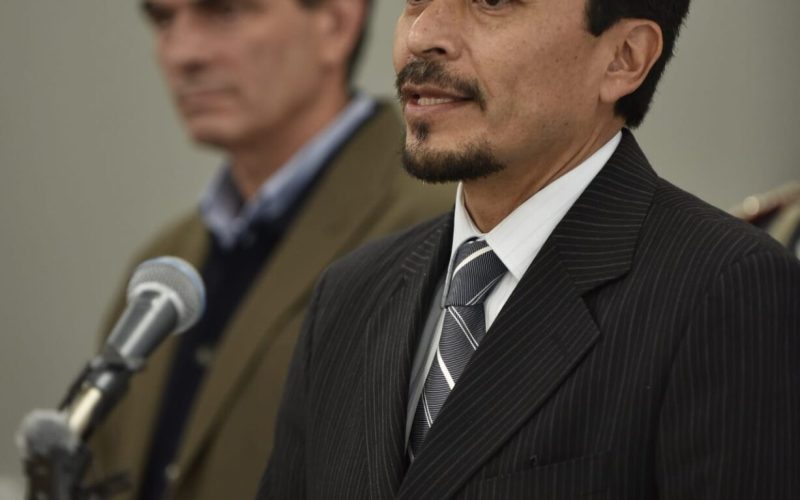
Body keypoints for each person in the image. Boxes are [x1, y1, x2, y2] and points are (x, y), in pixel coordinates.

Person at [260, 0, 800, 497]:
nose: (422, 35)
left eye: (491, 2)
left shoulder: (725, 289)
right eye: (415, 0)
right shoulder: (350, 293)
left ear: (624, 57)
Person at [88, 0, 453, 498]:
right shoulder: (162, 266)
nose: (183, 53)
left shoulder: (439, 231)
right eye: (163, 20)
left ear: (335, 24)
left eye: (223, 12)